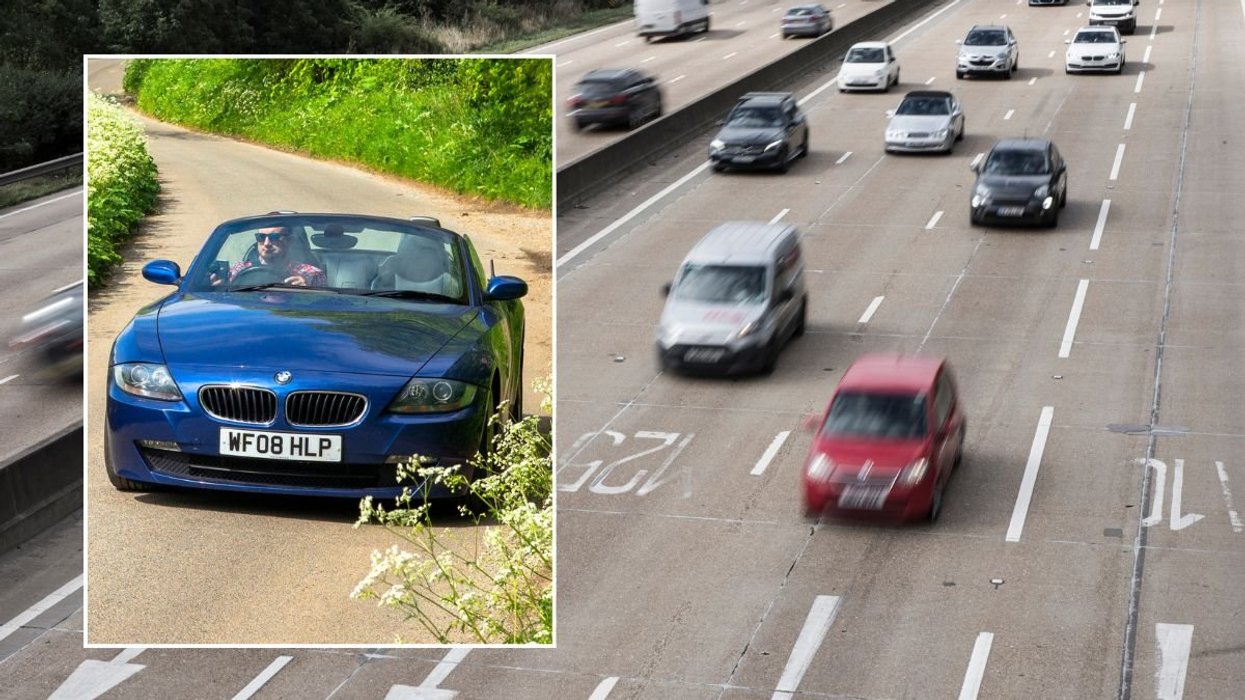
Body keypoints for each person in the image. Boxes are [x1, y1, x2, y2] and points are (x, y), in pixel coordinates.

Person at [222, 225, 326, 287]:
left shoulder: (312, 274)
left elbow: (322, 308)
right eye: (261, 237)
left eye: (274, 237)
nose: (266, 243)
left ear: (290, 240)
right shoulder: (238, 270)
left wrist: (307, 292)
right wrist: (218, 287)